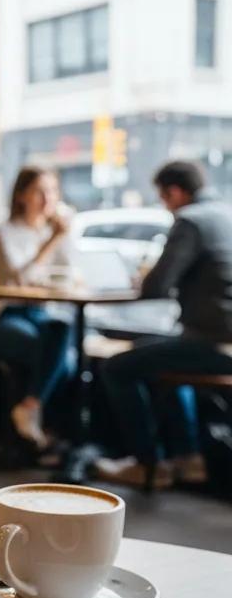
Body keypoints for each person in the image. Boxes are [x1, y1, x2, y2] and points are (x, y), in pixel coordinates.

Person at [95, 161, 232, 489]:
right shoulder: (226, 214)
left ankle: (149, 463)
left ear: (174, 192)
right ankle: (188, 459)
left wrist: (142, 277)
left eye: (163, 198)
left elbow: (156, 287)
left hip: (214, 343)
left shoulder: (190, 220)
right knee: (159, 353)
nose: (165, 206)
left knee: (116, 367)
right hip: (217, 339)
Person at [0, 167, 75, 450]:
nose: (47, 198)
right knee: (54, 356)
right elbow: (18, 279)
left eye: (52, 191)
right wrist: (53, 240)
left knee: (66, 344)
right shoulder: (4, 231)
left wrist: (61, 236)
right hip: (4, 315)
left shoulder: (56, 230)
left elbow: (74, 274)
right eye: (39, 191)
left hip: (42, 314)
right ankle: (37, 430)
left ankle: (30, 409)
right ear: (22, 195)